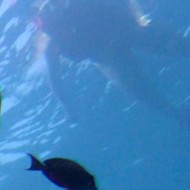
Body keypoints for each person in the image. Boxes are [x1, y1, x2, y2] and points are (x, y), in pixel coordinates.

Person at [33, 0, 190, 130]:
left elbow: (55, 81)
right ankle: (176, 114)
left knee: (145, 86)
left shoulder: (58, 33)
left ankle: (175, 113)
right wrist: (68, 109)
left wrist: (68, 109)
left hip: (118, 40)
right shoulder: (53, 43)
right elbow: (55, 81)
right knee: (143, 90)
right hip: (114, 48)